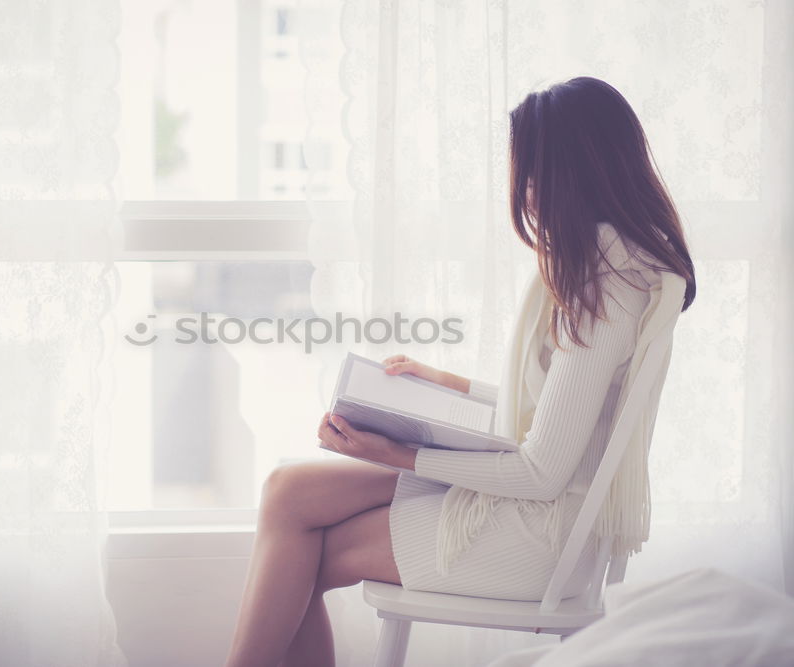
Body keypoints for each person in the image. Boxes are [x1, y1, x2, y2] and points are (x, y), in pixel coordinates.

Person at [224, 76, 697, 667]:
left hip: (539, 533)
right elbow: (560, 410)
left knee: (299, 554)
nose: (524, 191)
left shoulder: (607, 281)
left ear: (576, 170)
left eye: (533, 173)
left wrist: (394, 452)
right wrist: (445, 386)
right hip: (534, 502)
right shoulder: (618, 260)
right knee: (286, 491)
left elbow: (542, 473)